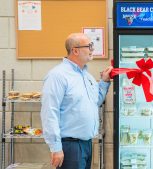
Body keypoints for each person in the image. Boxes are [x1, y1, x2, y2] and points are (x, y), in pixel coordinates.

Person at [41, 33, 113, 169]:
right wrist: (55, 148)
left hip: (86, 144)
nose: (92, 49)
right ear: (75, 50)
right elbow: (49, 113)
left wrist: (104, 81)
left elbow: (95, 102)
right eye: (89, 46)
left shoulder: (87, 76)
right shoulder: (58, 76)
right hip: (69, 146)